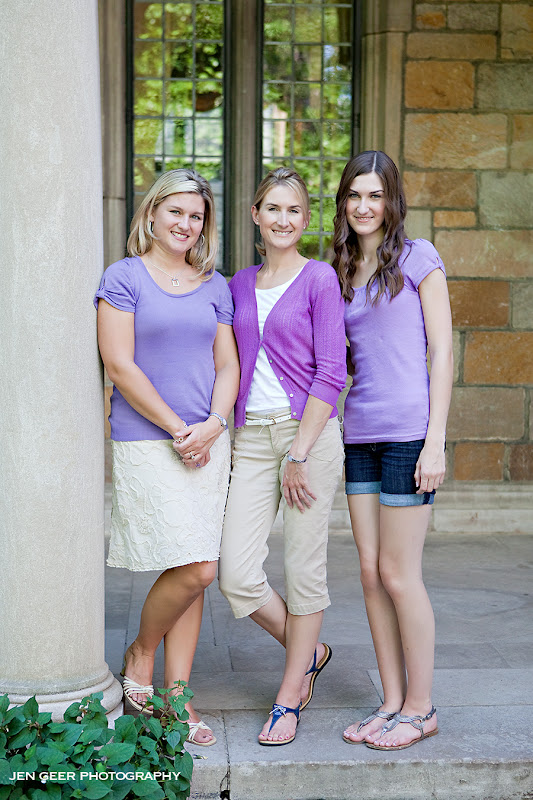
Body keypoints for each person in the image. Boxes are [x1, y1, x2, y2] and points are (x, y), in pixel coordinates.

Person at [94, 169, 239, 746]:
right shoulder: (123, 277)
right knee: (195, 568)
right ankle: (140, 653)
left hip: (208, 440)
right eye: (175, 211)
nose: (185, 223)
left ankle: (177, 698)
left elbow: (227, 364)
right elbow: (119, 364)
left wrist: (214, 424)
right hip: (150, 440)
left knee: (196, 563)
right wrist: (182, 430)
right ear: (151, 213)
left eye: (196, 215)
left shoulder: (214, 284)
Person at [218, 167, 346, 746]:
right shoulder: (239, 284)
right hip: (251, 439)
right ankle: (309, 650)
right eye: (273, 208)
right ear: (255, 215)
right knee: (237, 574)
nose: (283, 219)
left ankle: (289, 695)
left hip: (308, 439)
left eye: (294, 210)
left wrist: (299, 452)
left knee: (303, 567)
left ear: (306, 218)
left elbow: (332, 372)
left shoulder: (319, 278)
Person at [333, 151, 453, 751]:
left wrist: (435, 442)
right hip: (359, 433)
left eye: (375, 195)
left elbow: (442, 352)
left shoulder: (418, 257)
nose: (364, 206)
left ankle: (421, 709)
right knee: (370, 572)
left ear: (391, 201)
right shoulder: (341, 269)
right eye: (355, 195)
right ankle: (391, 701)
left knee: (400, 575)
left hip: (410, 433)